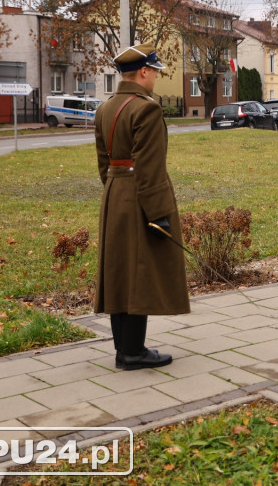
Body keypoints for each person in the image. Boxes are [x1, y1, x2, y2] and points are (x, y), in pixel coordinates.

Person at [93, 43, 190, 371]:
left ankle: (124, 349)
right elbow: (150, 170)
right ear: (144, 72)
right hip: (139, 198)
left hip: (114, 195)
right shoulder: (146, 110)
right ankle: (133, 352)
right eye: (156, 72)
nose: (156, 79)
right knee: (139, 272)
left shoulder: (104, 109)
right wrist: (159, 215)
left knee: (119, 272)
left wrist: (114, 189)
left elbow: (103, 163)